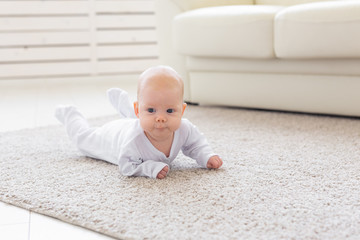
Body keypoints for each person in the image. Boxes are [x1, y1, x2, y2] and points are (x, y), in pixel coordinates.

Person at [55, 65, 223, 179]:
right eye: (151, 110)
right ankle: (70, 114)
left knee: (146, 121)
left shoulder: (184, 128)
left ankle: (128, 110)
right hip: (112, 138)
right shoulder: (133, 140)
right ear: (139, 109)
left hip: (136, 122)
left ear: (182, 111)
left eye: (170, 111)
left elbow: (196, 144)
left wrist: (206, 156)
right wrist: (149, 167)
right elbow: (126, 166)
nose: (161, 118)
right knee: (83, 139)